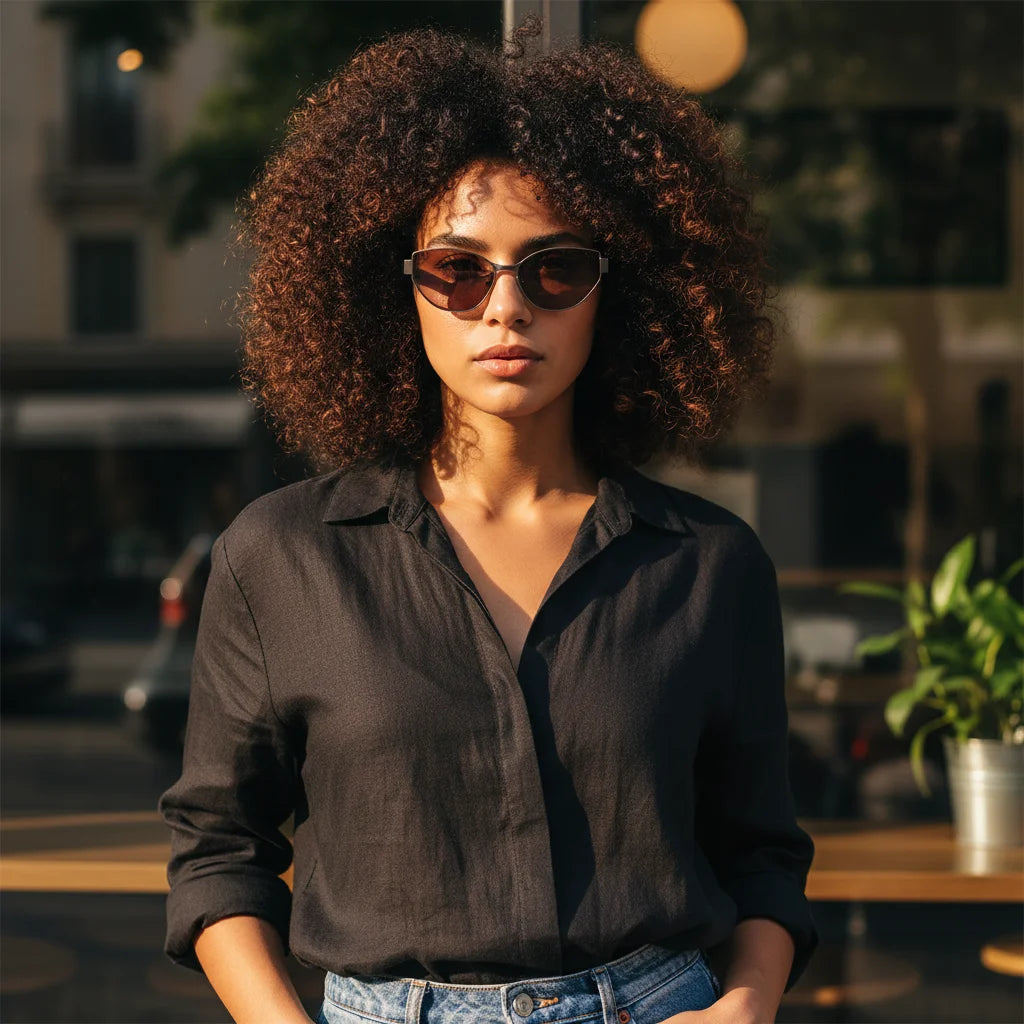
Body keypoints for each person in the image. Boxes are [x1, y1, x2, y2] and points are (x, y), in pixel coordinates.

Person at [159, 18, 818, 1024]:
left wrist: (747, 1003)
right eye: (457, 271)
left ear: (617, 292)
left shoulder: (708, 566)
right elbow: (218, 851)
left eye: (553, 269)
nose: (503, 308)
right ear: (398, 288)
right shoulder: (281, 556)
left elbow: (761, 852)